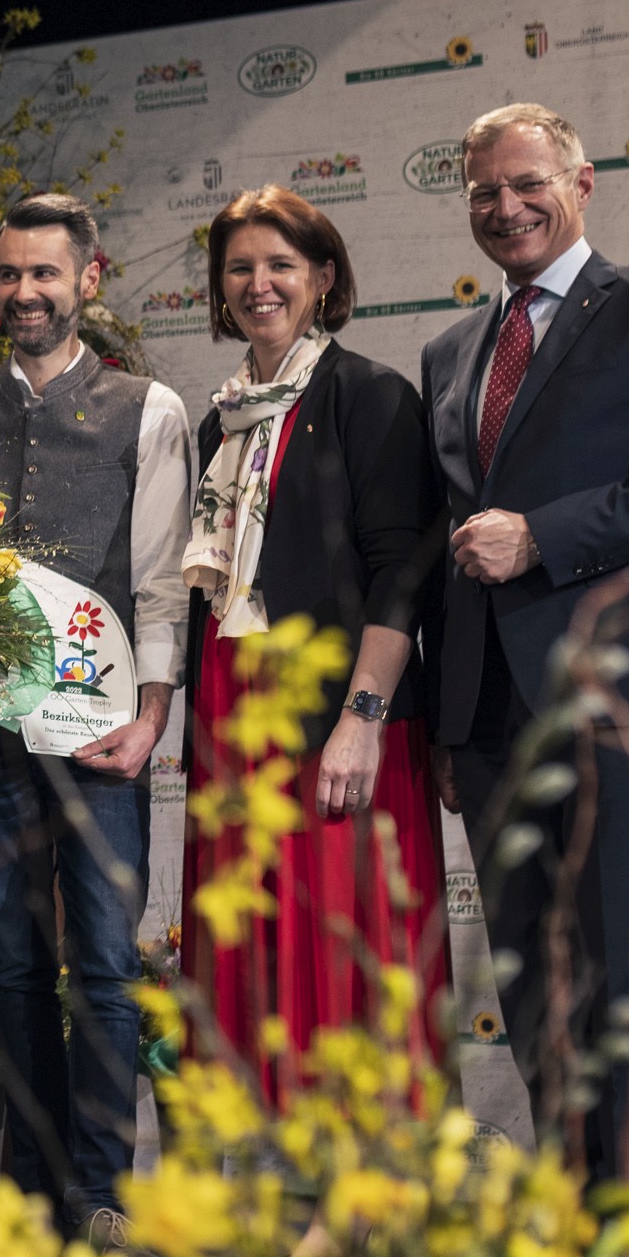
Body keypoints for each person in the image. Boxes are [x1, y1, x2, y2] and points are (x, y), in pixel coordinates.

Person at [421, 103, 629, 1201]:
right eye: (482, 191)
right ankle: (572, 1207)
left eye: (525, 183)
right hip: (488, 716)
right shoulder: (450, 350)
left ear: (581, 182)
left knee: (627, 982)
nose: (504, 206)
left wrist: (545, 537)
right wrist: (436, 713)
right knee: (536, 988)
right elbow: (447, 540)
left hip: (620, 702)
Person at [0, 194, 193, 1252]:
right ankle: (30, 1190)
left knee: (108, 966)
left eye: (46, 274)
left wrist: (153, 714)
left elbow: (165, 577)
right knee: (19, 963)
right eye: (10, 273)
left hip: (101, 730)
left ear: (90, 278)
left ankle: (100, 1187)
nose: (25, 292)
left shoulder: (150, 407)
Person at [178, 188, 447, 1096]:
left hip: (335, 716)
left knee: (350, 945)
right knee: (256, 961)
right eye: (240, 267)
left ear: (322, 278)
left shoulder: (368, 398)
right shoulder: (221, 419)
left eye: (280, 265)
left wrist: (361, 717)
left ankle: (371, 1196)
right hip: (234, 710)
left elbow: (400, 575)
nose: (259, 284)